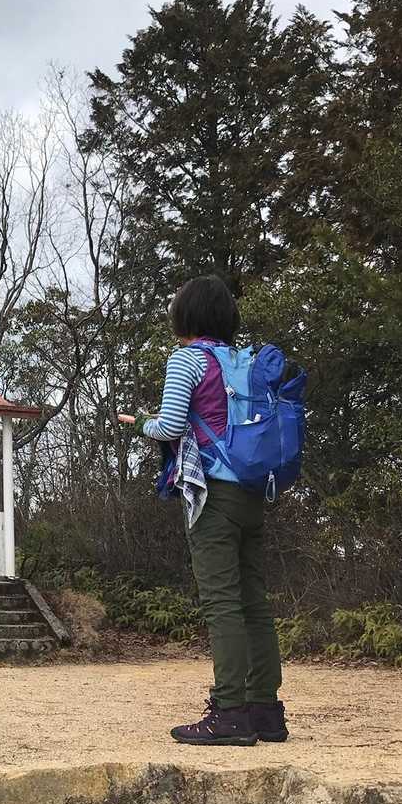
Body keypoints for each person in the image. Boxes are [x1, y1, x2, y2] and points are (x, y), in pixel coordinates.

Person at [117, 275, 287, 746]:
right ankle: (266, 712)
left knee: (222, 603)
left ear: (184, 317)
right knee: (254, 602)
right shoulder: (245, 360)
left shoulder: (187, 359)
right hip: (253, 491)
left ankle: (229, 713)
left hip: (213, 494)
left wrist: (141, 424)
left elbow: (171, 425)